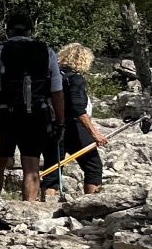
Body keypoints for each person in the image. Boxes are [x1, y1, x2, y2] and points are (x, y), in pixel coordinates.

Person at [0, 14, 67, 201]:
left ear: (8, 30)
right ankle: (28, 210)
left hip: (5, 114)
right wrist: (60, 121)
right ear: (31, 31)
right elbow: (57, 90)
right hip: (37, 115)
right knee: (31, 166)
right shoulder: (47, 52)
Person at [41, 43, 107, 197]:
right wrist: (94, 133)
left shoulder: (51, 76)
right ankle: (91, 205)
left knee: (53, 169)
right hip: (73, 128)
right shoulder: (74, 79)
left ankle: (45, 205)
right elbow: (78, 110)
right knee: (93, 166)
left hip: (51, 125)